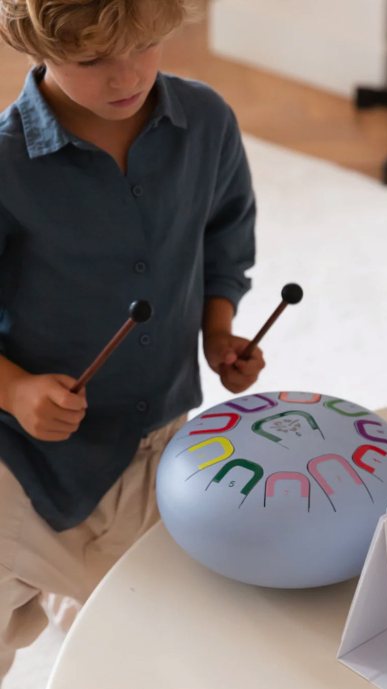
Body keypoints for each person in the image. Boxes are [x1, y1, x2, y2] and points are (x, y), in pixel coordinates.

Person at [0, 0, 265, 681]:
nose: (127, 76)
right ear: (36, 44)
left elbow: (225, 236)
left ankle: (74, 601)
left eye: (146, 45)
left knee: (162, 641)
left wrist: (217, 331)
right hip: (20, 457)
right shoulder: (5, 163)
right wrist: (15, 388)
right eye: (92, 59)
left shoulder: (207, 121)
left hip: (155, 443)